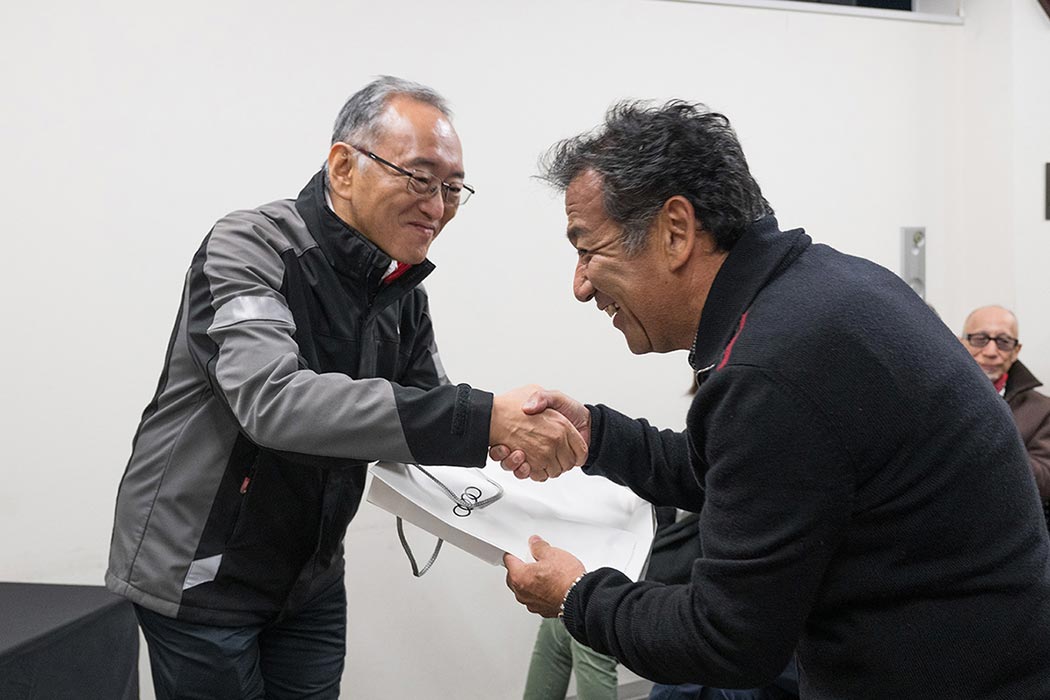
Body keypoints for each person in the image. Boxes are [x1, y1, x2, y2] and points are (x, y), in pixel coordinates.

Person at [494, 100, 1050, 697]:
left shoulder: (776, 364)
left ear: (676, 232)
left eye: (588, 250)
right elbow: (738, 470)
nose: (580, 286)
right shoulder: (824, 288)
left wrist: (577, 596)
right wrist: (596, 434)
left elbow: (726, 638)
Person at [106, 76, 586, 700]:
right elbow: (273, 401)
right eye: (420, 178)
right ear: (342, 166)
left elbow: (429, 410)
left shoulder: (399, 288)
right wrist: (486, 417)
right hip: (200, 571)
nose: (437, 207)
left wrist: (517, 439)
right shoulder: (249, 245)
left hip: (310, 574)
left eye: (452, 189)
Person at [961, 305, 1050, 528]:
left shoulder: (1042, 410)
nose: (991, 351)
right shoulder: (935, 397)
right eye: (980, 339)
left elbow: (1044, 482)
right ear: (962, 343)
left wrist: (987, 437)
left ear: (1016, 351)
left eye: (1003, 341)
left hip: (1006, 528)